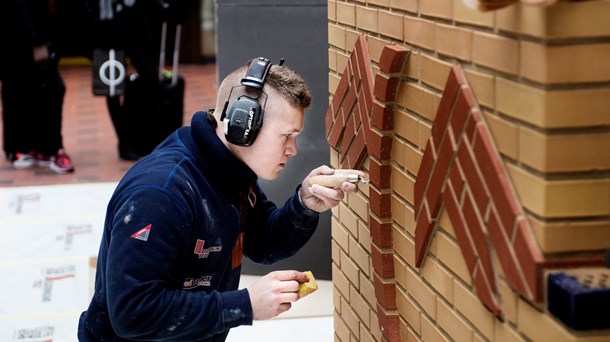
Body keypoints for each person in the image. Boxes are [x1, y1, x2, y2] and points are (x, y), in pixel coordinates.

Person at [78, 57, 363, 341]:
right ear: (242, 125)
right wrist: (244, 305)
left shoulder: (230, 174)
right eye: (286, 136)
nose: (293, 150)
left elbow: (264, 243)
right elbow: (133, 312)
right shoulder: (160, 195)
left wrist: (304, 204)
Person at [0, 0, 74, 173]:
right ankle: (53, 149)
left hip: (29, 35)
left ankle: (33, 147)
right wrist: (37, 42)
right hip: (25, 38)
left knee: (31, 90)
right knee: (51, 89)